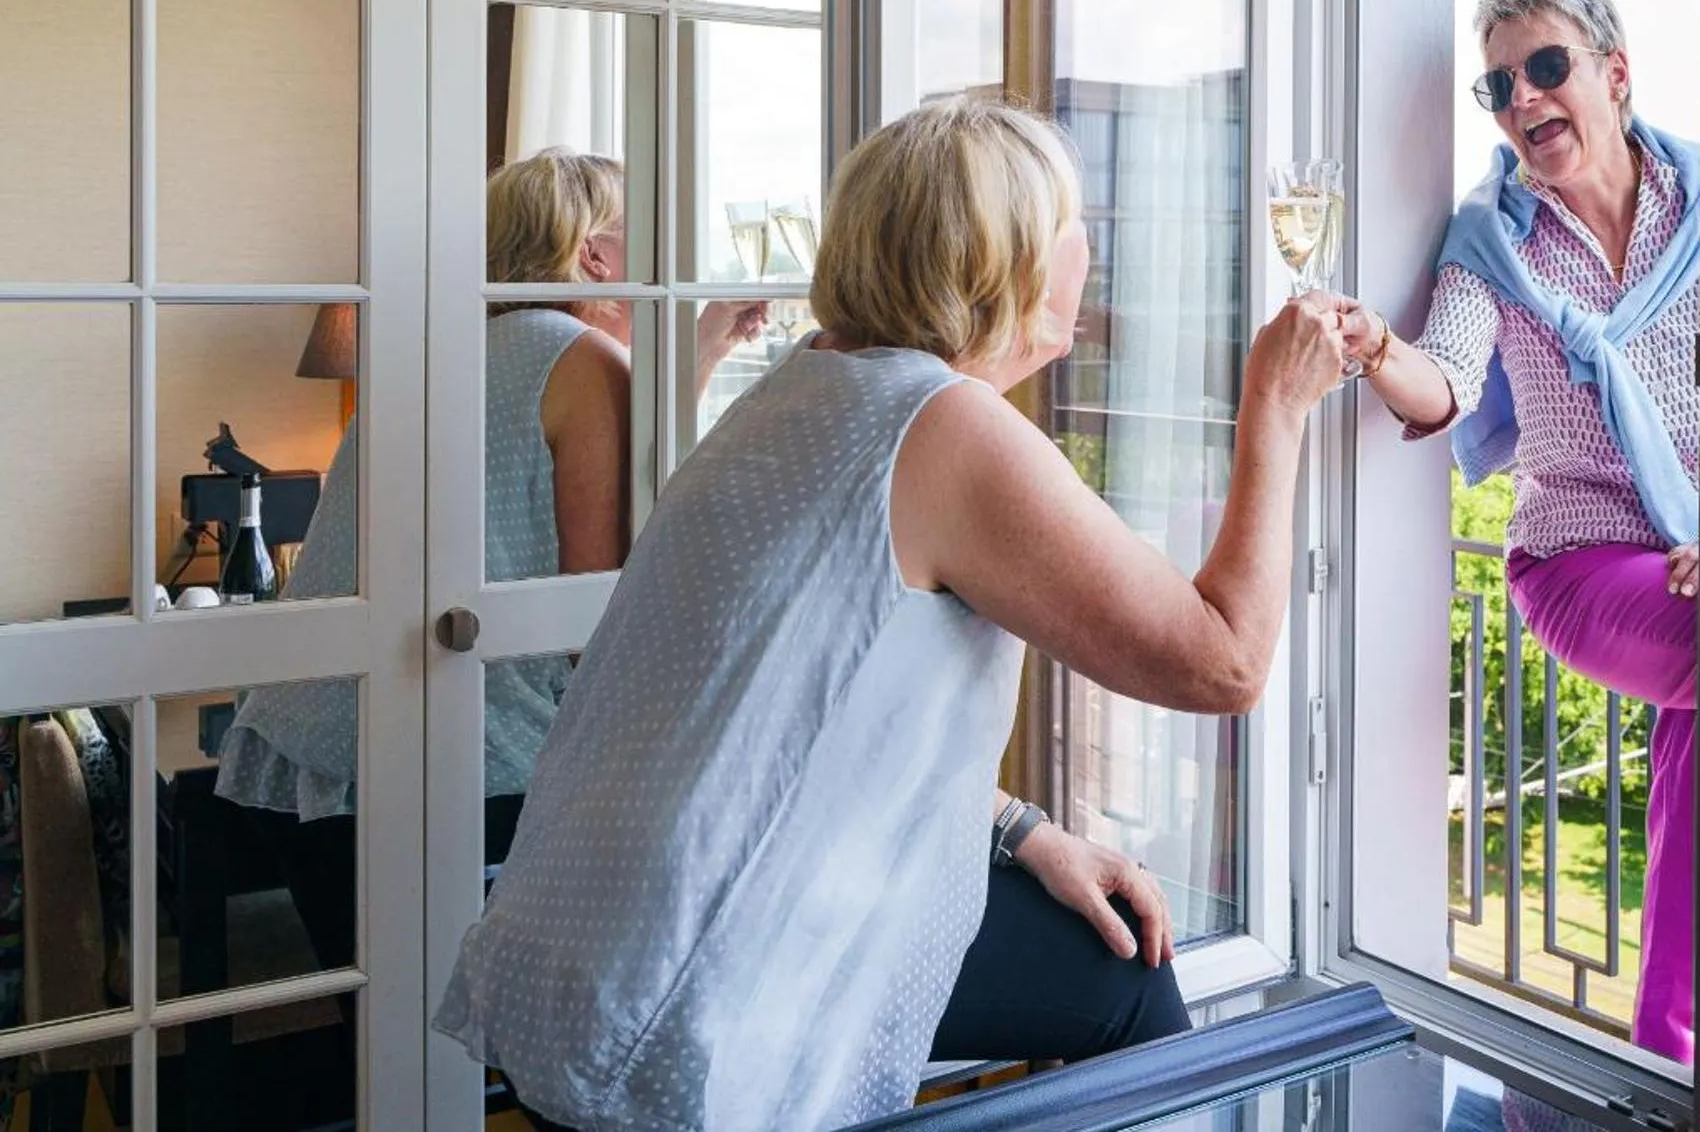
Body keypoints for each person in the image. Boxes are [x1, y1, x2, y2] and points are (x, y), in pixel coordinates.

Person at [433, 97, 1352, 1132]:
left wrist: (1018, 829)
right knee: (1124, 974)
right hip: (689, 1004)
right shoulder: (943, 424)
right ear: (1004, 256)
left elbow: (801, 718)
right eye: (1070, 219)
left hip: (583, 964)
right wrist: (1276, 404)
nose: (1086, 245)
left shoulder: (798, 393)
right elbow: (1223, 663)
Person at [1344, 0, 1700, 1130]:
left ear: (1615, 75)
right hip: (1577, 562)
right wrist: (1377, 347)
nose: (1522, 97)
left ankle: (1687, 1039)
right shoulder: (1493, 242)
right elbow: (1448, 379)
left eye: (1546, 67)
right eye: (1499, 83)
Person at [216, 149, 767, 967]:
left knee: (403, 1046)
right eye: (649, 240)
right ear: (594, 255)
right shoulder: (587, 364)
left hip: (314, 755)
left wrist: (697, 357)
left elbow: (586, 474)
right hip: (461, 767)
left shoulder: (430, 357)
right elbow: (596, 611)